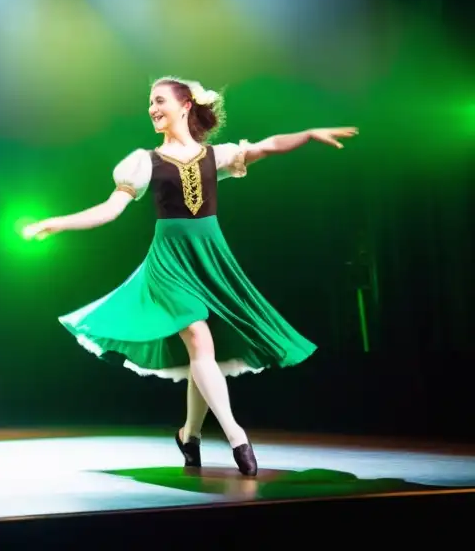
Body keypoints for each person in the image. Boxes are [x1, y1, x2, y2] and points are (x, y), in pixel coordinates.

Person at [22, 77, 357, 476]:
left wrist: (307, 135)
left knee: (204, 355)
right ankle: (237, 437)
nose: (152, 108)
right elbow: (109, 210)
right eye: (149, 102)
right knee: (199, 337)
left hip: (210, 259)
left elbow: (266, 146)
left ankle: (189, 434)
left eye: (159, 100)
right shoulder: (144, 162)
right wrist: (58, 224)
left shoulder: (216, 156)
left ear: (185, 105)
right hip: (169, 263)